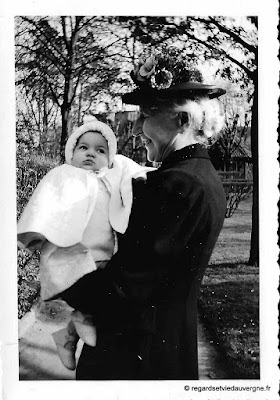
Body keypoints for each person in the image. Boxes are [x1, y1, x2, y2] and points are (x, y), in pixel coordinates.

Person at [50, 45, 227, 380]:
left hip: (134, 359)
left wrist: (61, 278)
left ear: (182, 120)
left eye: (145, 117)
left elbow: (125, 287)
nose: (134, 130)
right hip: (163, 350)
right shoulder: (199, 178)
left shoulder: (178, 185)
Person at [17, 118, 152, 370]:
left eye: (101, 150)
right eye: (83, 148)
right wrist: (34, 234)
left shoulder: (112, 175)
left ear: (110, 157)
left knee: (98, 289)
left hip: (101, 253)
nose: (91, 153)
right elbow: (42, 205)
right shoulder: (62, 175)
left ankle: (69, 331)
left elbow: (133, 169)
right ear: (71, 152)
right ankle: (69, 331)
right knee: (70, 290)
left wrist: (144, 175)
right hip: (65, 251)